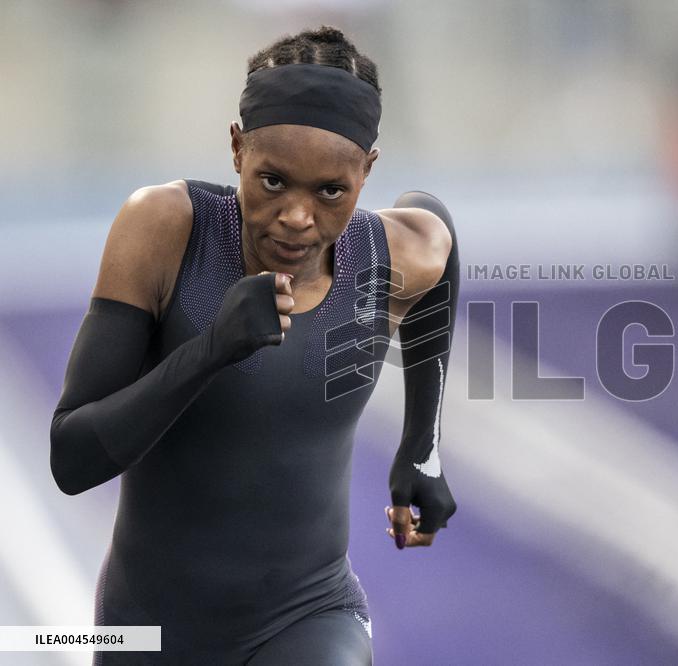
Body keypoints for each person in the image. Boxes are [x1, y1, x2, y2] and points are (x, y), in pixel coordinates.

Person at [48, 26, 459, 665]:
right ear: (237, 149)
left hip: (310, 616)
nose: (298, 216)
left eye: (331, 191)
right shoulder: (165, 230)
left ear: (366, 172)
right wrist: (213, 347)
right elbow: (72, 460)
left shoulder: (387, 255)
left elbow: (439, 238)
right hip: (147, 632)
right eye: (273, 182)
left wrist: (421, 450)